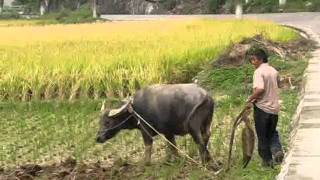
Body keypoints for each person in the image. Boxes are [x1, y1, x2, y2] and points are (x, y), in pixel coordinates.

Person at [247, 48, 284, 168]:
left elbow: (260, 89)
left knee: (262, 136)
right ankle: (277, 150)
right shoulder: (273, 70)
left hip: (262, 109)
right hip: (274, 109)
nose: (252, 62)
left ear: (260, 59)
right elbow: (280, 84)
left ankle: (267, 163)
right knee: (272, 132)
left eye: (253, 59)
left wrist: (250, 98)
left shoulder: (258, 72)